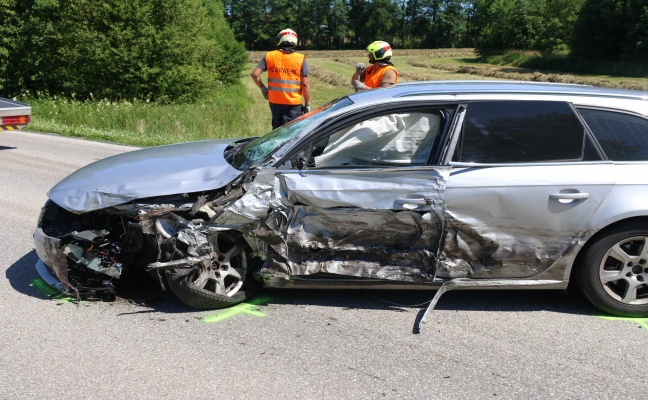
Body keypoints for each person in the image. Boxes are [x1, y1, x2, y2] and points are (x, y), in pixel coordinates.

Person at [251, 28, 311, 130]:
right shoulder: (300, 58)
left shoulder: (270, 56)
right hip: (293, 104)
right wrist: (307, 104)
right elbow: (305, 84)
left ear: (280, 39)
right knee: (292, 134)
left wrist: (263, 88)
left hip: (275, 102)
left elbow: (255, 74)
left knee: (277, 132)